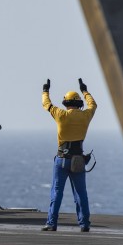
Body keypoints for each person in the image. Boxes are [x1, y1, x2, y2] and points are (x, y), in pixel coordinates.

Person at [41, 78, 97, 232]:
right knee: (81, 193)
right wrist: (85, 91)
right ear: (79, 103)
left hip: (61, 159)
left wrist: (45, 90)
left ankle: (52, 223)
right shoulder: (86, 116)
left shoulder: (60, 115)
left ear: (65, 103)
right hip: (78, 160)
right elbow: (93, 105)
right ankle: (84, 224)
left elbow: (47, 104)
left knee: (56, 192)